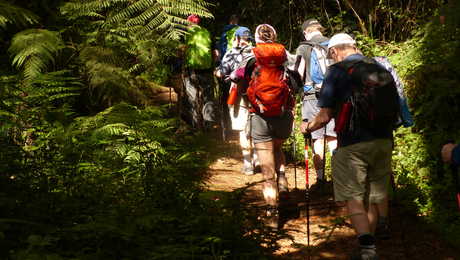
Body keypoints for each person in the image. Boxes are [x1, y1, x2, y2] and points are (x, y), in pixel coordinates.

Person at [301, 33, 395, 259]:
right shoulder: (380, 68)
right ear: (354, 47)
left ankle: (366, 249)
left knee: (354, 199)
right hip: (383, 141)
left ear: (334, 51)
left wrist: (307, 127)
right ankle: (369, 246)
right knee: (372, 197)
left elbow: (324, 117)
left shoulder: (337, 72)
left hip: (352, 144)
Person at [236, 24, 305, 229]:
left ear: (257, 39)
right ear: (274, 37)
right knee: (278, 148)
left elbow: (238, 81)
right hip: (283, 116)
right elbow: (297, 84)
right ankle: (282, 181)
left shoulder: (249, 57)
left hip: (259, 116)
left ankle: (272, 213)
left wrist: (252, 100)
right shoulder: (287, 56)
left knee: (267, 169)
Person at [296, 18, 337, 186]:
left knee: (317, 139)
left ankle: (320, 179)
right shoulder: (333, 44)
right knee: (333, 139)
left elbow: (298, 74)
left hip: (312, 97)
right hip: (334, 97)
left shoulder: (304, 47)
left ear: (306, 32)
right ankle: (338, 178)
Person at [214, 26, 259, 175]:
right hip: (258, 96)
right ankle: (258, 158)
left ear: (238, 39)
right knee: (257, 127)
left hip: (239, 94)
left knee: (242, 129)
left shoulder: (232, 53)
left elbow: (221, 73)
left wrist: (217, 72)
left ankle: (247, 164)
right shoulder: (258, 52)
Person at [181, 14, 216, 129]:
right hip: (207, 68)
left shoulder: (186, 34)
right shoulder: (206, 32)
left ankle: (195, 125)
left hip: (191, 70)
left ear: (189, 23)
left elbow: (183, 50)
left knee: (192, 96)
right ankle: (209, 123)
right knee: (208, 96)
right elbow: (213, 51)